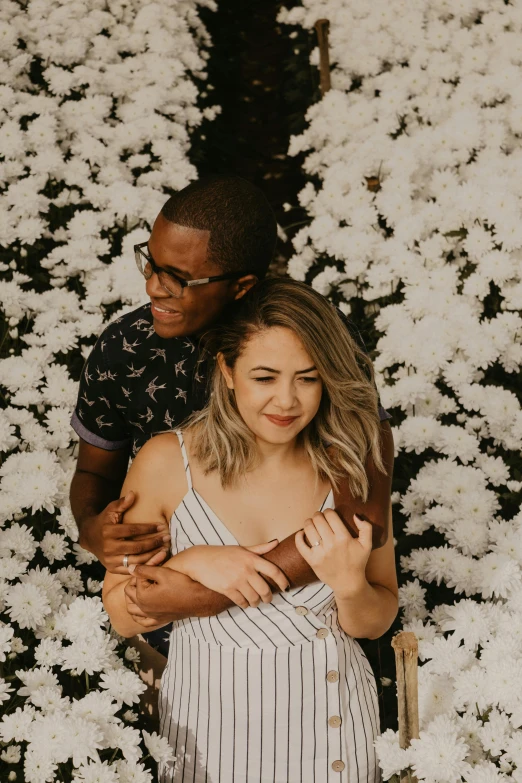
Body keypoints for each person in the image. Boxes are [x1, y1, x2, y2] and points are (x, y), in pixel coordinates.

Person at [70, 175, 393, 657]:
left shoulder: (309, 333)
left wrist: (206, 594)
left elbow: (362, 506)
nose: (154, 286)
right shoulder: (126, 346)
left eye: (179, 277)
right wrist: (93, 528)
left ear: (241, 285)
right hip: (167, 627)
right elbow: (94, 468)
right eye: (152, 264)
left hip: (305, 624)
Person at [103, 277, 398, 782]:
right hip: (206, 735)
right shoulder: (166, 463)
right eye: (265, 377)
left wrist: (349, 587)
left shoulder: (350, 462)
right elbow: (122, 615)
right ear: (227, 370)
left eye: (307, 378)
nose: (286, 401)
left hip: (333, 732)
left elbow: (378, 617)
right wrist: (191, 563)